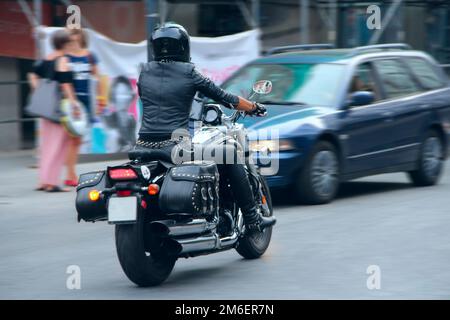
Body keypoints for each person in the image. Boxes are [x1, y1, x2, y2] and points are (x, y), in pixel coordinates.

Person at [137, 23, 276, 231]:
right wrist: (253, 106)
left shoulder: (145, 72)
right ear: (184, 47)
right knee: (231, 153)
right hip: (174, 147)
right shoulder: (188, 72)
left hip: (141, 147)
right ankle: (252, 219)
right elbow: (224, 97)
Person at [28, 29, 77, 192]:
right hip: (58, 108)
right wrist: (74, 103)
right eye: (70, 42)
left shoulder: (46, 59)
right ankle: (52, 183)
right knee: (59, 145)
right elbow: (65, 84)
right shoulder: (62, 60)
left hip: (46, 108)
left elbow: (32, 75)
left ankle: (43, 181)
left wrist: (39, 91)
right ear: (64, 44)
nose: (73, 45)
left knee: (47, 144)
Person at [64, 28, 100, 187]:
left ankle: (69, 172)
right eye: (69, 35)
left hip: (85, 102)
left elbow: (98, 78)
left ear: (80, 36)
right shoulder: (65, 57)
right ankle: (69, 173)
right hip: (69, 101)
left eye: (74, 34)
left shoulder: (90, 56)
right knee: (72, 140)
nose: (72, 38)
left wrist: (99, 99)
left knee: (76, 140)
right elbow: (63, 81)